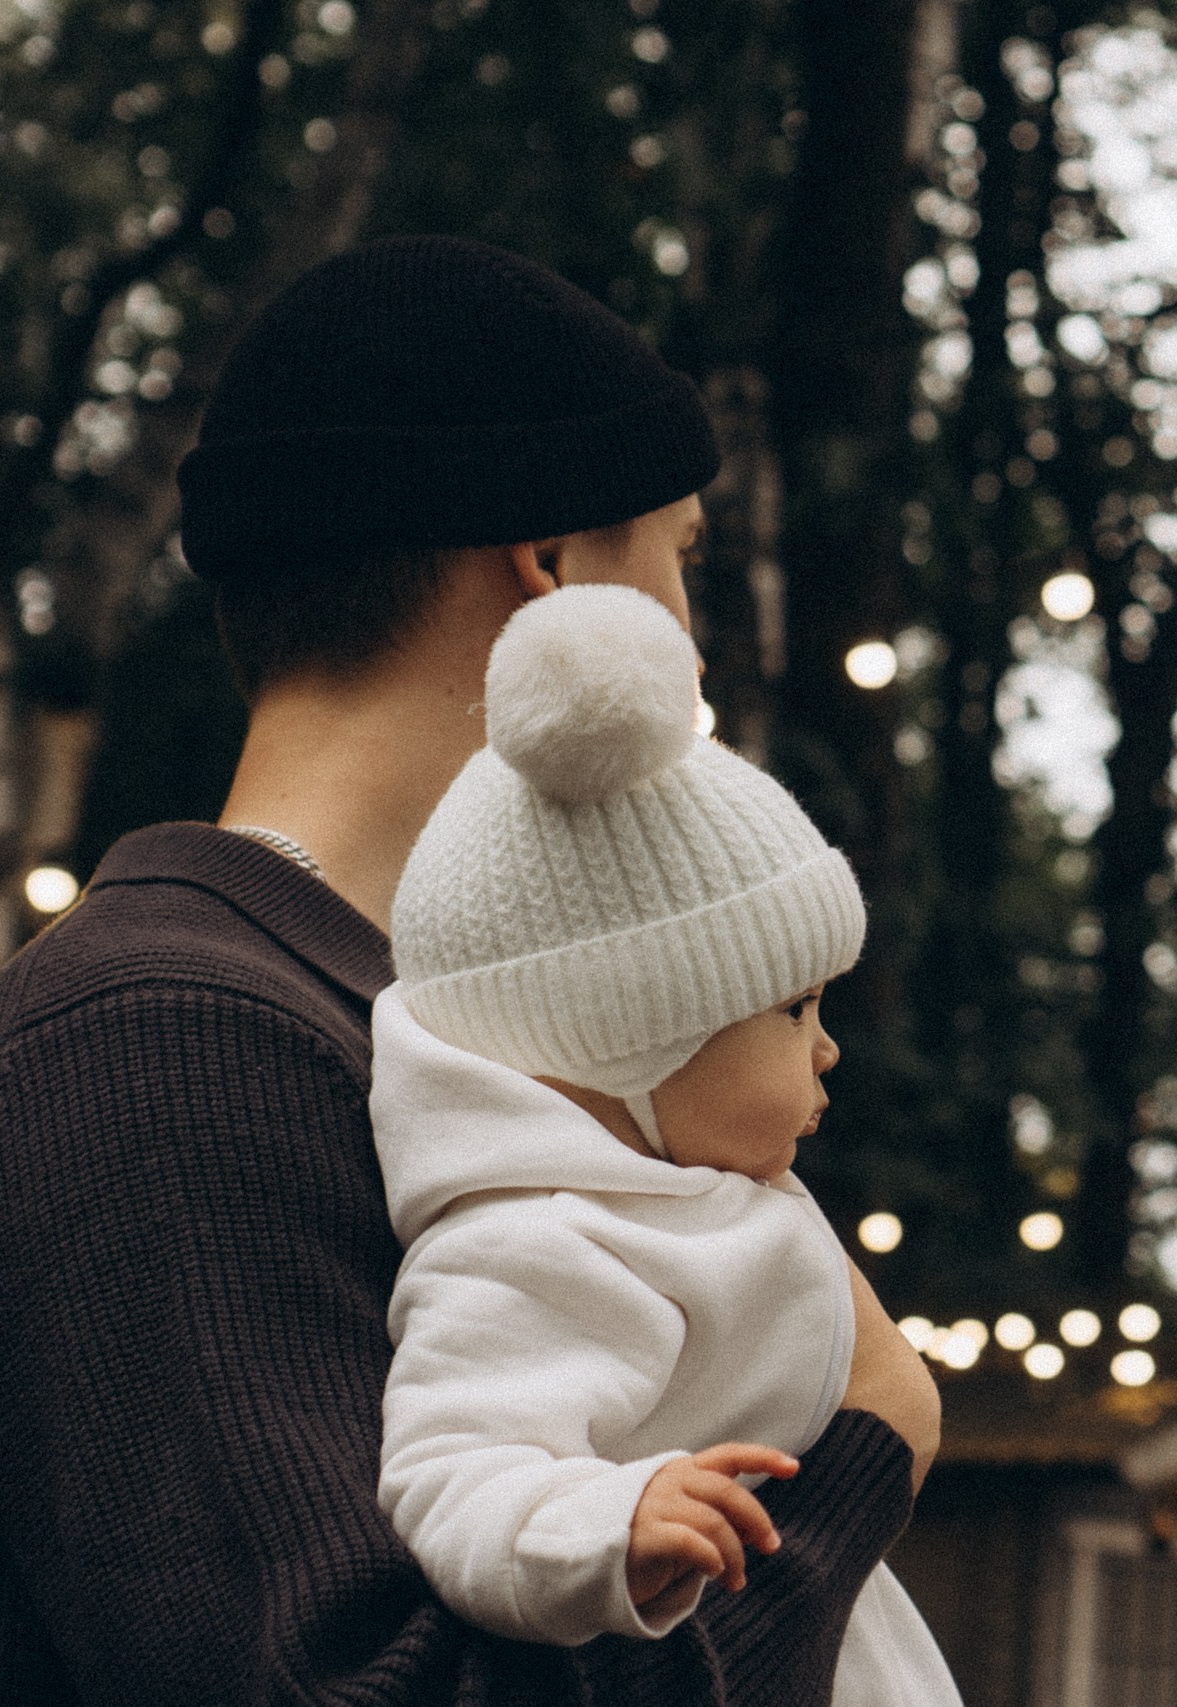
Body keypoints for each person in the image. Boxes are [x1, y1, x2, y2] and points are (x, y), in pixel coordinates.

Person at [0, 234, 939, 1705]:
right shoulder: (156, 1047)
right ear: (557, 566)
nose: (695, 645)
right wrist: (861, 1450)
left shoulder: (419, 1048)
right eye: (684, 557)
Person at [370, 582, 957, 1705]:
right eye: (794, 1008)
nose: (828, 1047)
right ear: (628, 1042)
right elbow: (453, 1470)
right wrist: (610, 1521)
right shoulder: (541, 1240)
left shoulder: (675, 1191)